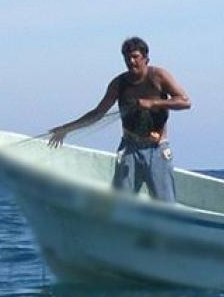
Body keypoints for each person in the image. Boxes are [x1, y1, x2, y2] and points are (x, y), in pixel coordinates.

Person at [48, 37, 191, 202]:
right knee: (120, 203)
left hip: (157, 148)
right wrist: (66, 128)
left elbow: (185, 101)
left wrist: (153, 103)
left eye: (135, 57)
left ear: (146, 59)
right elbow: (98, 113)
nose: (131, 61)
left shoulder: (158, 76)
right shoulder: (118, 84)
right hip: (130, 148)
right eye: (127, 58)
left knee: (165, 205)